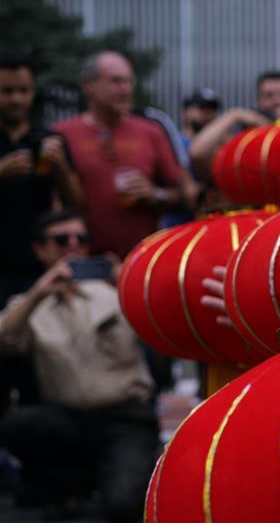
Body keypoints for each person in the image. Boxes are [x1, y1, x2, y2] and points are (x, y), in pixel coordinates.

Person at [0, 210, 159, 522]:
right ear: (40, 250)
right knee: (16, 424)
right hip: (69, 421)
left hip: (125, 420)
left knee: (123, 506)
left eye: (80, 238)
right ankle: (72, 484)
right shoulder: (29, 303)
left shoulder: (116, 293)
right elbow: (4, 338)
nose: (73, 245)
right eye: (61, 240)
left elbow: (160, 331)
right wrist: (37, 294)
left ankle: (110, 476)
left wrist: (130, 283)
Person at [54, 51, 191, 259]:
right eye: (115, 81)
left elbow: (183, 196)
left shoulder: (151, 131)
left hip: (142, 258)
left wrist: (155, 194)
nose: (125, 89)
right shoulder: (64, 134)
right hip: (83, 263)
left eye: (128, 81)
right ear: (89, 86)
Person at [0, 51, 82, 308]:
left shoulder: (48, 138)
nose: (17, 99)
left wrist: (61, 168)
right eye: (7, 91)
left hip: (40, 262)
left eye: (24, 90)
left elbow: (78, 205)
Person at [189, 71, 280, 178]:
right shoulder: (246, 140)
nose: (277, 101)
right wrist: (234, 115)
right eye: (269, 95)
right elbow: (197, 152)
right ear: (259, 100)